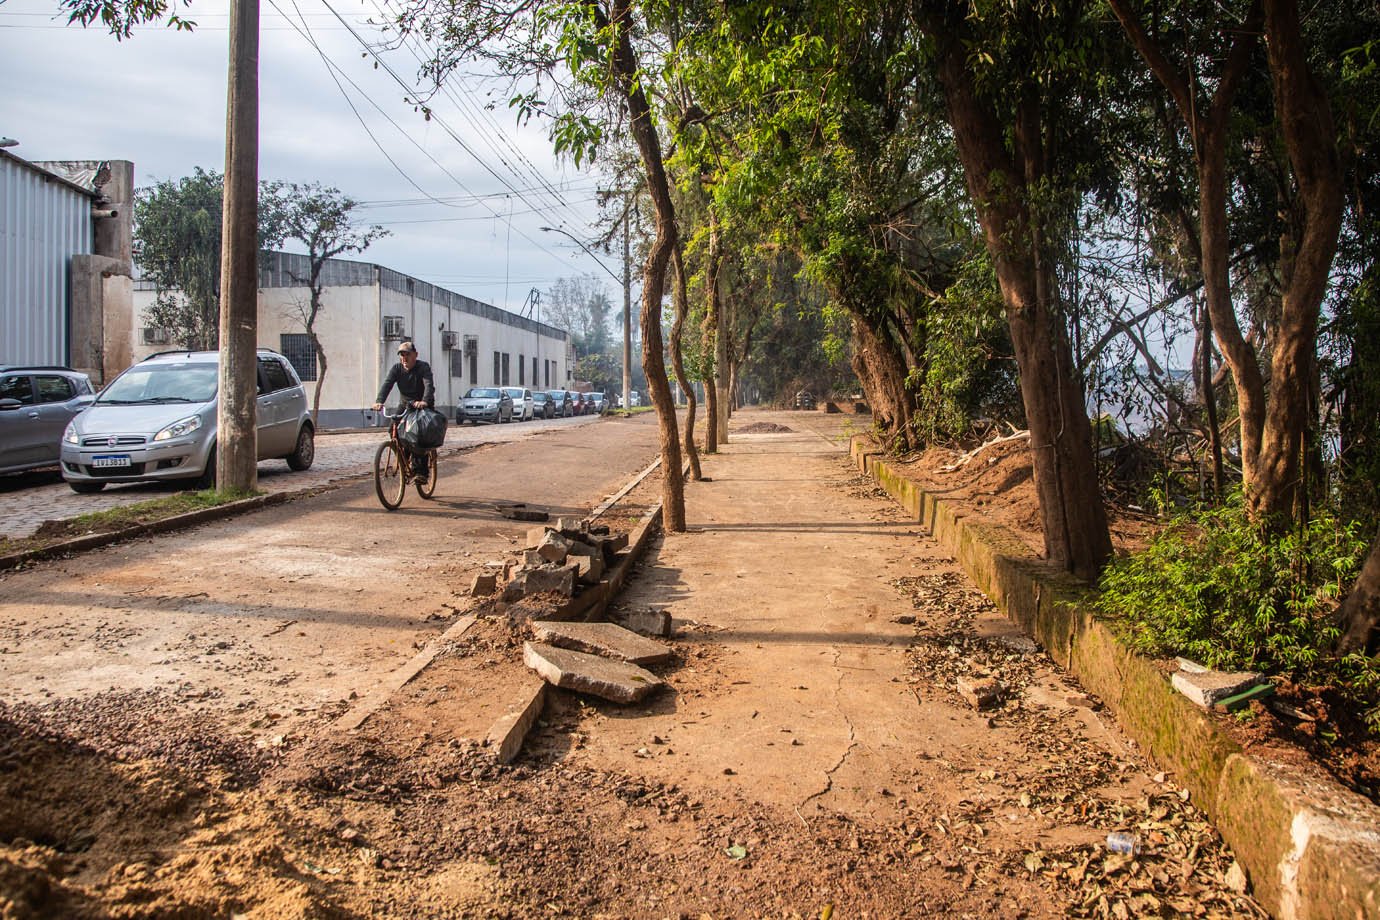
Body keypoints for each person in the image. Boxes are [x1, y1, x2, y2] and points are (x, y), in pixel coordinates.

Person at [372, 341, 436, 482]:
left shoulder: (423, 367)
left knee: (418, 433)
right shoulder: (397, 369)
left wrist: (424, 400)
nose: (404, 359)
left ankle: (421, 472)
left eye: (408, 355)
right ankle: (404, 458)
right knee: (393, 429)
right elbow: (387, 384)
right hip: (406, 404)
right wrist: (379, 401)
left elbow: (428, 385)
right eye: (402, 355)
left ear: (415, 355)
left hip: (422, 405)